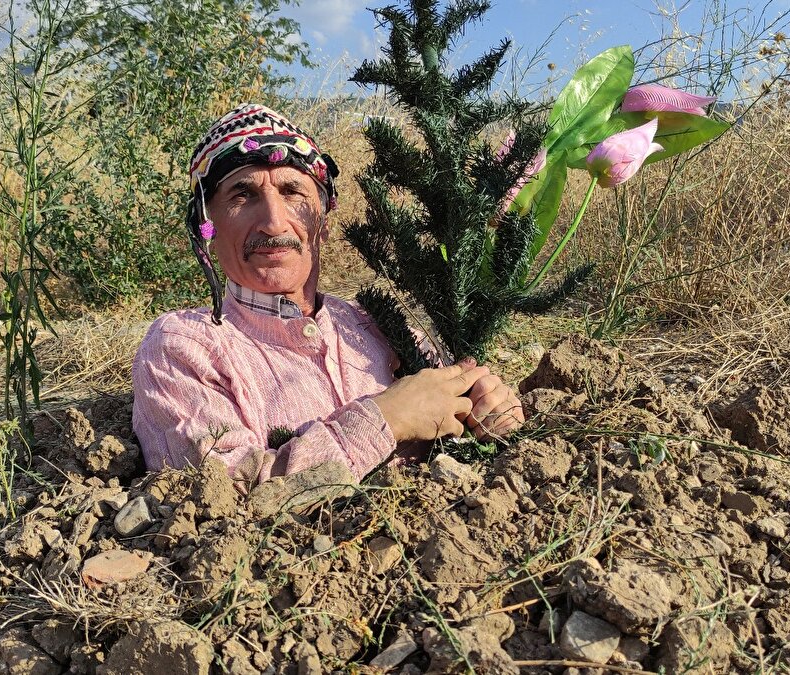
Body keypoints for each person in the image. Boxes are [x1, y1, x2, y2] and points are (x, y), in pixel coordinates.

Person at [132, 104, 524, 490]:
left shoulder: (374, 322)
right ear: (208, 227)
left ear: (323, 222)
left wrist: (489, 404)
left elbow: (460, 395)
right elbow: (222, 491)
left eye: (292, 192)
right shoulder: (184, 347)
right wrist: (387, 419)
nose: (273, 222)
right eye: (243, 194)